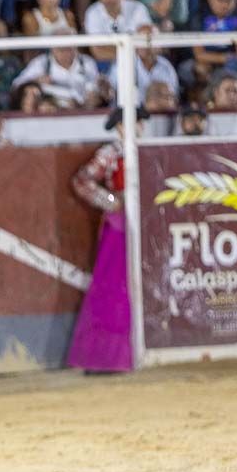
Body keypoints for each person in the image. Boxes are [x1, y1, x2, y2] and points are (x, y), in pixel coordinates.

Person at [68, 105, 147, 373]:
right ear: (120, 127)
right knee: (113, 287)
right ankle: (103, 358)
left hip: (145, 223)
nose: (139, 128)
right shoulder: (111, 152)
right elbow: (82, 181)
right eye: (134, 123)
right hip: (120, 225)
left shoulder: (147, 148)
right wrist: (112, 201)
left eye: (140, 123)